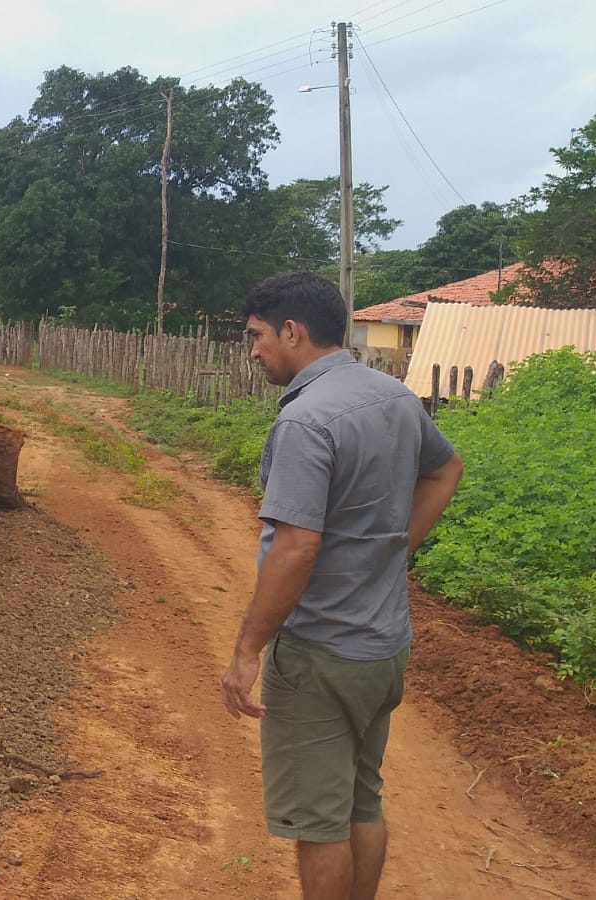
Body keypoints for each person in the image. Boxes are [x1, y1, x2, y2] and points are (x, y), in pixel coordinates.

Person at [221, 271, 463, 900]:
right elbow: (446, 469)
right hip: (383, 646)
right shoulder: (394, 396)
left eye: (256, 336)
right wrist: (395, 549)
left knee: (319, 824)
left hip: (320, 654)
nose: (252, 350)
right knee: (362, 802)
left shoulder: (307, 421)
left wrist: (248, 650)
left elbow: (297, 546)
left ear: (293, 332)